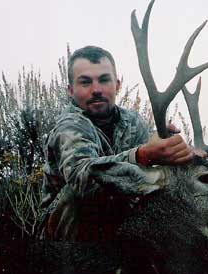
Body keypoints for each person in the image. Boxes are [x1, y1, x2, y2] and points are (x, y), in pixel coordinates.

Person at [41, 45, 198, 240]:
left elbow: (154, 166)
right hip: (66, 232)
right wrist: (143, 155)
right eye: (85, 82)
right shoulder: (69, 125)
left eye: (104, 80)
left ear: (117, 84)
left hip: (118, 221)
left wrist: (172, 151)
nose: (96, 90)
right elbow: (83, 179)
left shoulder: (132, 121)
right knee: (75, 197)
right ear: (70, 90)